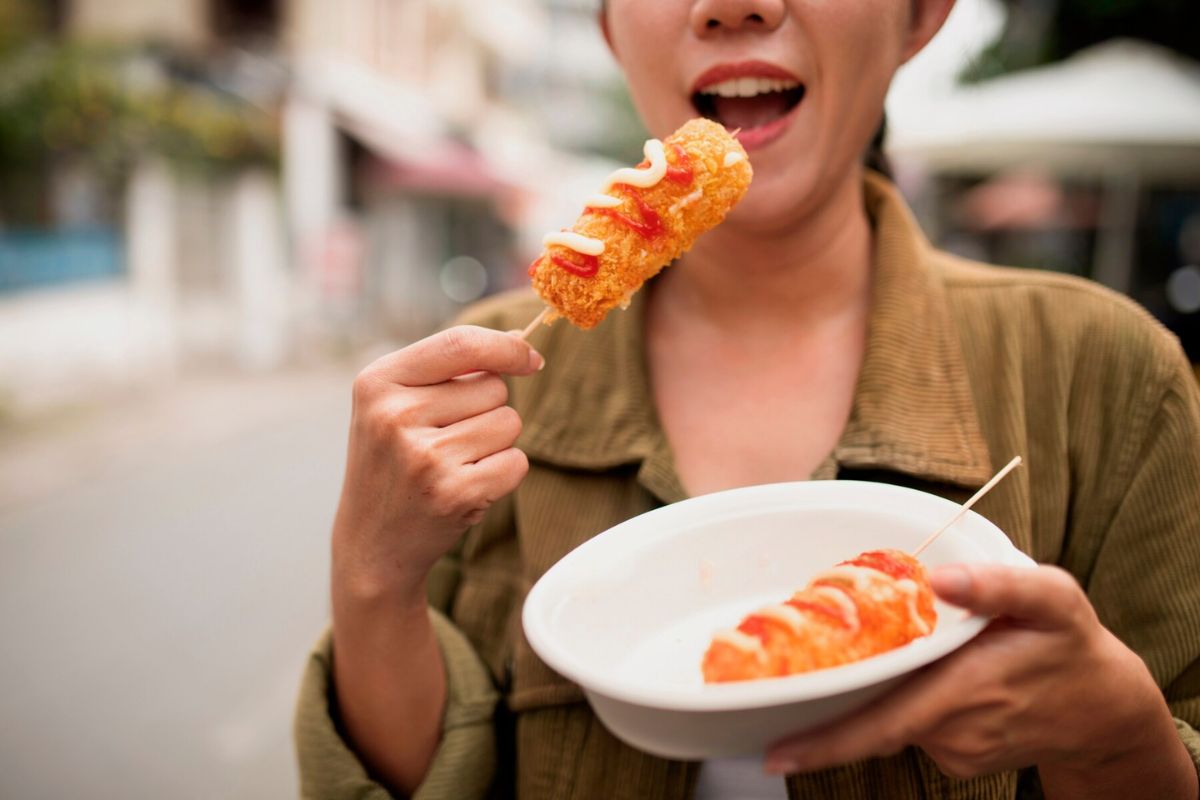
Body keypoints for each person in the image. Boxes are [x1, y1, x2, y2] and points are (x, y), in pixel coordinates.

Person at [294, 1, 1200, 798]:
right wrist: (372, 580)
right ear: (608, 24)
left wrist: (1119, 741)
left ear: (919, 16)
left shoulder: (1111, 379)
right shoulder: (468, 390)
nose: (732, 4)